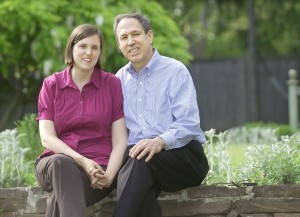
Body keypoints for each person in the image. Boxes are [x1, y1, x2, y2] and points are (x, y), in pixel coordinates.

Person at [112, 13, 209, 217]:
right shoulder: (118, 80)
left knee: (139, 160)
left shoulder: (175, 71)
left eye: (136, 34)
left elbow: (189, 124)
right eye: (124, 37)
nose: (130, 42)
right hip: (140, 163)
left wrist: (159, 141)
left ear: (149, 36)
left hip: (183, 157)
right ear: (119, 44)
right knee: (140, 183)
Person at [35, 24, 127, 217]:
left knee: (57, 199)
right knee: (62, 163)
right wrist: (82, 161)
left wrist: (109, 175)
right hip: (54, 165)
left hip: (98, 170)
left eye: (95, 47)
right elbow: (47, 138)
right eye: (83, 46)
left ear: (100, 52)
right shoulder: (51, 85)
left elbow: (120, 140)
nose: (89, 52)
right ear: (71, 48)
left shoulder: (112, 84)